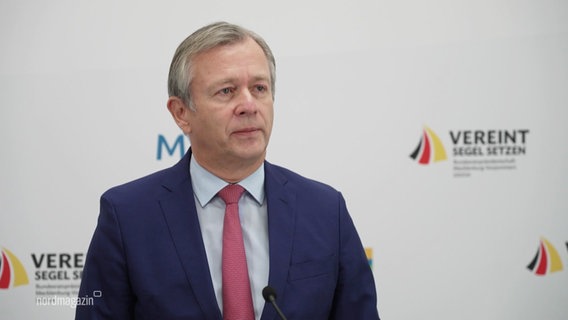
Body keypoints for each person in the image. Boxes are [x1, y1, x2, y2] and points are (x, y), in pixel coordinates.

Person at [76, 21, 380, 320]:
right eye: (226, 91)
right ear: (181, 113)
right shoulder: (127, 216)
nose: (249, 105)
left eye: (259, 88)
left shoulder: (326, 210)